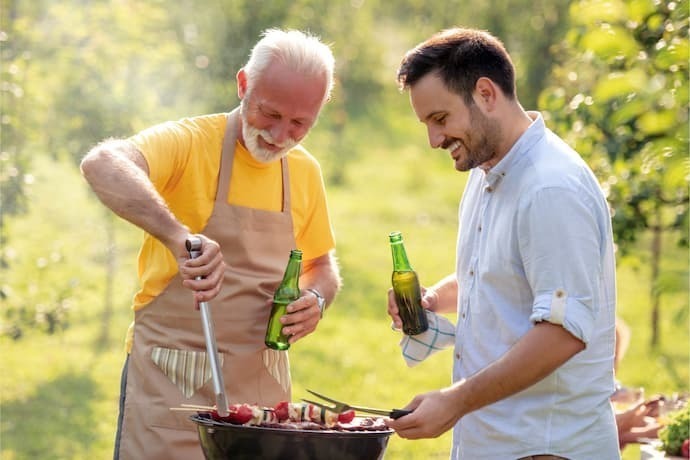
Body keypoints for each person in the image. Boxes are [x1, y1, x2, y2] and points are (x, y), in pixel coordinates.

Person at [80, 28, 341, 460]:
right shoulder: (191, 142)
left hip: (262, 395)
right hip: (170, 389)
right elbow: (102, 163)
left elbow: (322, 265)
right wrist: (177, 236)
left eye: (300, 123)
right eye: (269, 113)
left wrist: (316, 297)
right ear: (243, 84)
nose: (280, 135)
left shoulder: (305, 173)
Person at [385, 27, 620, 459]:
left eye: (440, 119)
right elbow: (495, 272)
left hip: (546, 448)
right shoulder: (488, 171)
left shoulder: (551, 188)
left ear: (486, 94)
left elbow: (563, 331)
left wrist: (454, 401)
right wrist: (434, 298)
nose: (434, 140)